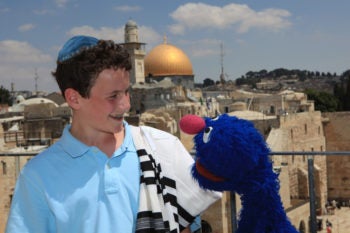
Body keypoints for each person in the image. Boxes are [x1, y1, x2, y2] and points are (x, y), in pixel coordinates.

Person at [5, 35, 221, 233]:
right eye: (113, 96)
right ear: (74, 98)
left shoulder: (163, 147)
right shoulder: (39, 176)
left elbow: (188, 224)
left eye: (127, 91)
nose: (125, 105)